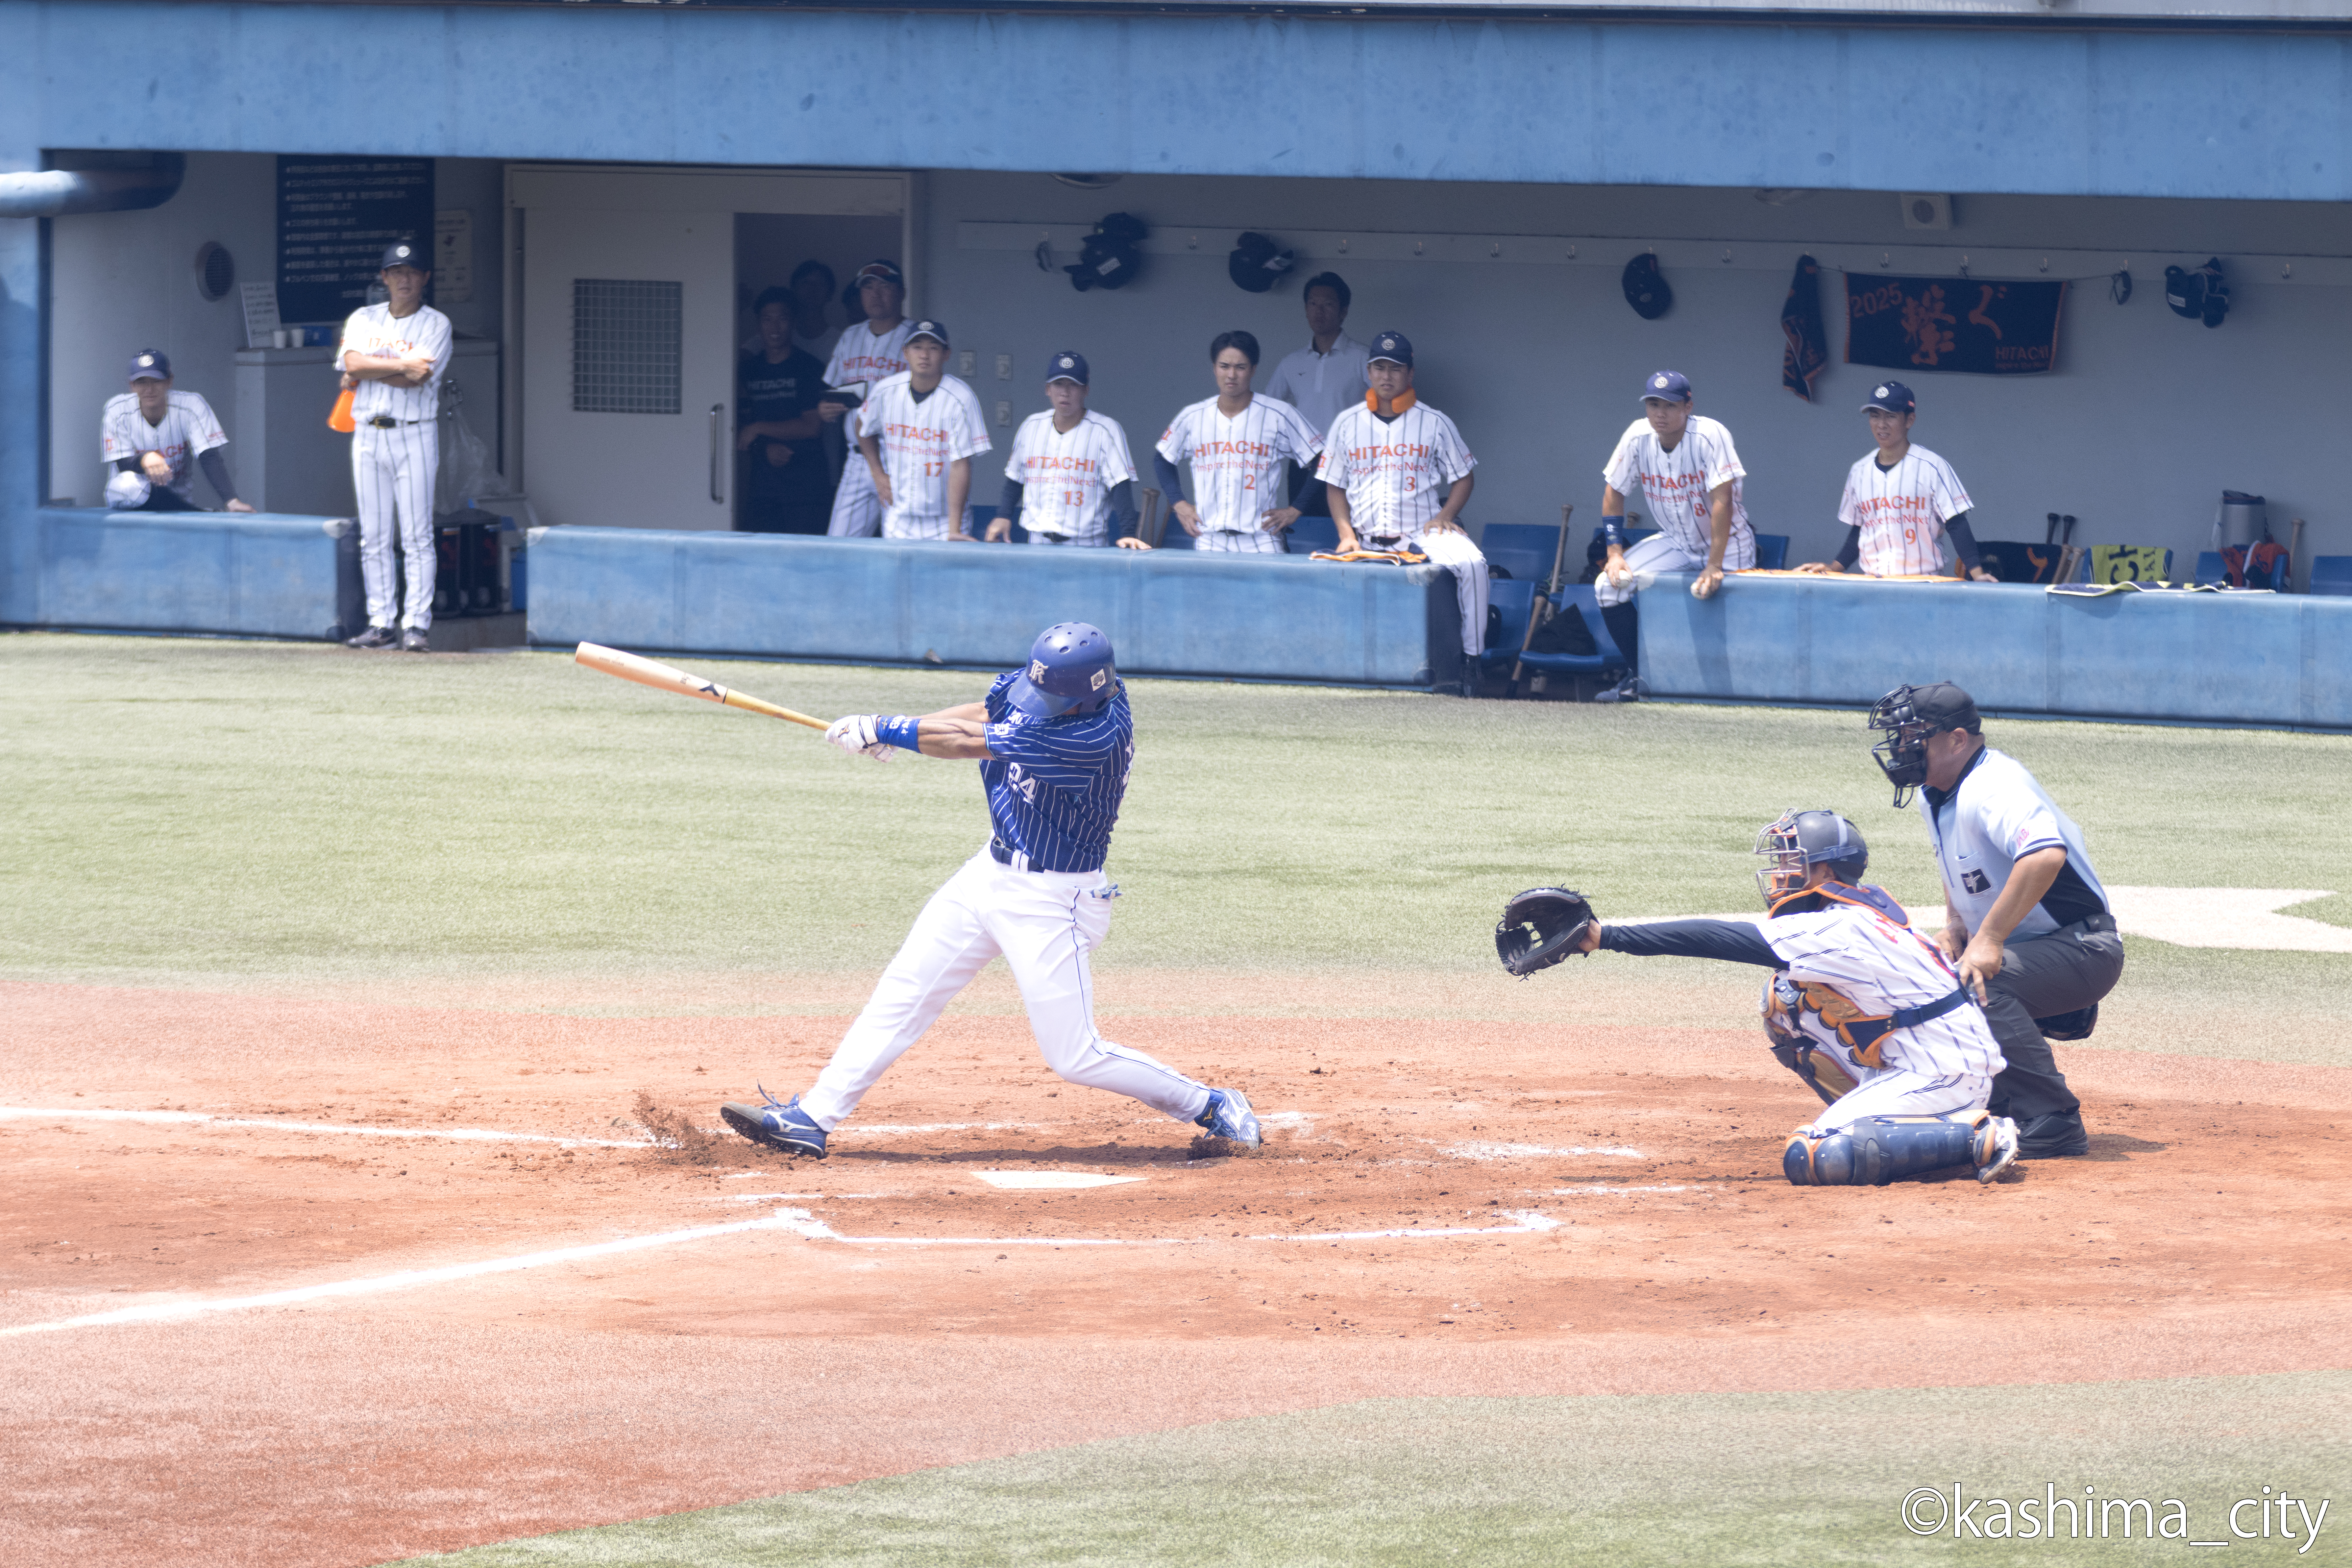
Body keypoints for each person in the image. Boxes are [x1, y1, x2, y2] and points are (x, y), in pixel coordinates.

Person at [722, 622, 1263, 1159]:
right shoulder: (1052, 685)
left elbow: (967, 743)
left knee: (1074, 1056)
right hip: (987, 873)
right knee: (904, 992)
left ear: (1086, 697)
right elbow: (983, 715)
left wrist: (886, 729)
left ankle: (1212, 1105)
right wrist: (900, 731)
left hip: (1054, 902)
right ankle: (812, 1119)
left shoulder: (1093, 738)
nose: (1038, 701)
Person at [1523, 809, 2020, 1186]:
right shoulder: (1850, 914)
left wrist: (1605, 935)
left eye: (1792, 863)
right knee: (1787, 1002)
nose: (1780, 873)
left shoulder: (1838, 926)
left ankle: (1979, 1138)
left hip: (1944, 1069)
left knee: (1816, 1154)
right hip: (1930, 1053)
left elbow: (1720, 939)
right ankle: (1894, 1118)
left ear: (1825, 873)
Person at [1867, 682, 2117, 1159]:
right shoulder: (1935, 793)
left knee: (1976, 986)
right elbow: (1961, 864)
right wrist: (1957, 925)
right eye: (1899, 737)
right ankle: (1995, 1107)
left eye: (1913, 736)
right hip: (2040, 950)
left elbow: (2044, 855)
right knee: (1928, 978)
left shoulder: (1993, 785)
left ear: (1957, 740)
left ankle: (2052, 1118)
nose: (1902, 748)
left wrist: (1990, 939)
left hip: (2085, 947)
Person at [1319, 331, 1489, 696]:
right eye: (1379, 367)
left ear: (1410, 374)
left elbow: (1464, 476)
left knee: (1474, 564)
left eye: (1395, 369)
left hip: (1421, 532)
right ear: (1368, 372)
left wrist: (1447, 514)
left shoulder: (1434, 421)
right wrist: (1345, 532)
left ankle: (1472, 661)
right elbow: (1334, 484)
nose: (1386, 376)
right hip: (1365, 536)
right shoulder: (1346, 423)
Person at [1594, 370, 1758, 702]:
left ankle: (1744, 691)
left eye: (1670, 405)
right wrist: (1615, 552)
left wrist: (1714, 564)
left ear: (1688, 406)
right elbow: (1614, 491)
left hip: (1728, 545)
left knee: (1732, 615)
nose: (1660, 413)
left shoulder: (1710, 435)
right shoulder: (1638, 436)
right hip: (1677, 541)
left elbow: (1722, 502)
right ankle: (1643, 675)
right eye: (1653, 404)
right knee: (1607, 587)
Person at [337, 239, 452, 653]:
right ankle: (381, 622)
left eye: (412, 272)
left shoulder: (436, 323)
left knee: (418, 535)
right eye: (397, 272)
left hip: (415, 431)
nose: (405, 279)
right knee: (374, 535)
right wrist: (396, 365)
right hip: (368, 432)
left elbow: (417, 377)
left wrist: (371, 371)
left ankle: (417, 625)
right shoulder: (365, 318)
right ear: (385, 278)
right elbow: (352, 365)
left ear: (425, 278)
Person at [1798, 381, 1995, 582]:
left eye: (1891, 416)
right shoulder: (1859, 471)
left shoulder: (1932, 466)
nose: (1881, 425)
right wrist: (1834, 567)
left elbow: (1956, 524)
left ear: (1910, 420)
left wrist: (1977, 574)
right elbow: (1861, 529)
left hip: (1923, 582)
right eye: (1875, 416)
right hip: (1873, 582)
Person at [1152, 330, 1323, 554]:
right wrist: (1179, 504)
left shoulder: (1279, 414)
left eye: (1240, 367)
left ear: (1253, 370)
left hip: (1261, 539)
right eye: (1224, 366)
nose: (1231, 375)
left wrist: (1295, 509)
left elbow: (1322, 458)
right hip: (1209, 538)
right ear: (1214, 368)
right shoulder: (1193, 416)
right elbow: (1162, 458)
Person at [853, 319, 991, 541]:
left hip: (945, 519)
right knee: (897, 578)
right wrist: (878, 474)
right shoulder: (886, 390)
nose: (925, 355)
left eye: (933, 348)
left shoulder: (961, 397)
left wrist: (954, 530)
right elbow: (862, 424)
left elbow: (961, 464)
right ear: (905, 352)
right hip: (899, 516)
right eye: (917, 347)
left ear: (947, 354)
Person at [990, 351, 1144, 548]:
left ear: (1086, 390)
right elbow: (1015, 479)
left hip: (1087, 545)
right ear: (1048, 389)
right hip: (1037, 543)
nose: (1065, 392)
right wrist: (1003, 516)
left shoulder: (1105, 430)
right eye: (1059, 384)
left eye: (1073, 385)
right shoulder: (1031, 426)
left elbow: (1120, 487)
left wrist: (1129, 534)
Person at [821, 260, 918, 538]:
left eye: (884, 287)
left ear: (902, 292)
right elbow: (832, 391)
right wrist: (826, 409)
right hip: (857, 458)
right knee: (840, 546)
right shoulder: (850, 336)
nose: (876, 294)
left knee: (900, 545)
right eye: (868, 287)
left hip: (899, 456)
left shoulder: (917, 339)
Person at [1262, 272, 1369, 517]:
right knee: (1305, 535)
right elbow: (1269, 410)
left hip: (1351, 463)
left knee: (1350, 534)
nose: (1319, 311)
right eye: (1313, 304)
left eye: (1328, 304)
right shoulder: (1292, 362)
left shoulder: (1363, 358)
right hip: (1305, 464)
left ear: (1344, 311)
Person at [99, 350, 254, 514]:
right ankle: (198, 512)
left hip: (178, 499)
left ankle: (189, 510)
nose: (150, 389)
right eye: (142, 382)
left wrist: (232, 500)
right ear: (132, 386)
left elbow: (208, 456)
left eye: (156, 381)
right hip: (129, 500)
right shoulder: (118, 410)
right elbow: (123, 464)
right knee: (126, 484)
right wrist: (145, 458)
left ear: (169, 382)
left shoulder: (191, 405)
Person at [736, 286, 831, 535]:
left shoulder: (810, 368)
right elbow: (739, 430)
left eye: (782, 319)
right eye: (767, 320)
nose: (775, 328)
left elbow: (812, 426)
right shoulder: (748, 371)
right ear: (758, 324)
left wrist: (759, 429)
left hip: (806, 487)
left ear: (794, 322)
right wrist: (763, 446)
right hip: (763, 488)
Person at [788, 259, 844, 364]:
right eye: (806, 283)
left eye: (820, 284)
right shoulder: (779, 337)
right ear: (794, 289)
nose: (812, 290)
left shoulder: (841, 342)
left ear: (830, 294)